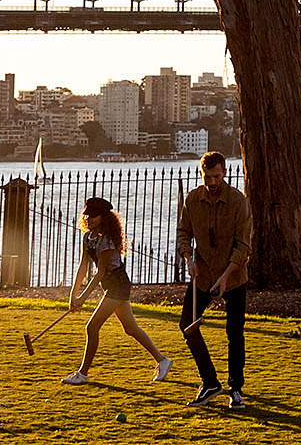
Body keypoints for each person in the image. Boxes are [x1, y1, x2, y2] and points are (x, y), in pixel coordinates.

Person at [60, 197, 174, 385]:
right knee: (130, 328)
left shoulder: (107, 240)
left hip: (118, 283)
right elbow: (83, 266)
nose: (89, 219)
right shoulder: (88, 237)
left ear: (103, 217)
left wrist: (82, 298)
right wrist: (73, 294)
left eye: (94, 216)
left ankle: (83, 373)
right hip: (111, 284)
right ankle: (163, 360)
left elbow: (100, 273)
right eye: (87, 215)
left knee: (92, 327)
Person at [175, 151, 253, 408]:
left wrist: (225, 276)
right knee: (187, 324)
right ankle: (210, 382)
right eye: (207, 177)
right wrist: (189, 259)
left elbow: (243, 245)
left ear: (225, 174)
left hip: (233, 276)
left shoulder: (238, 201)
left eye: (216, 176)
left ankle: (236, 389)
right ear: (201, 174)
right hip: (203, 274)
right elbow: (183, 233)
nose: (211, 182)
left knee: (234, 332)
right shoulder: (192, 199)